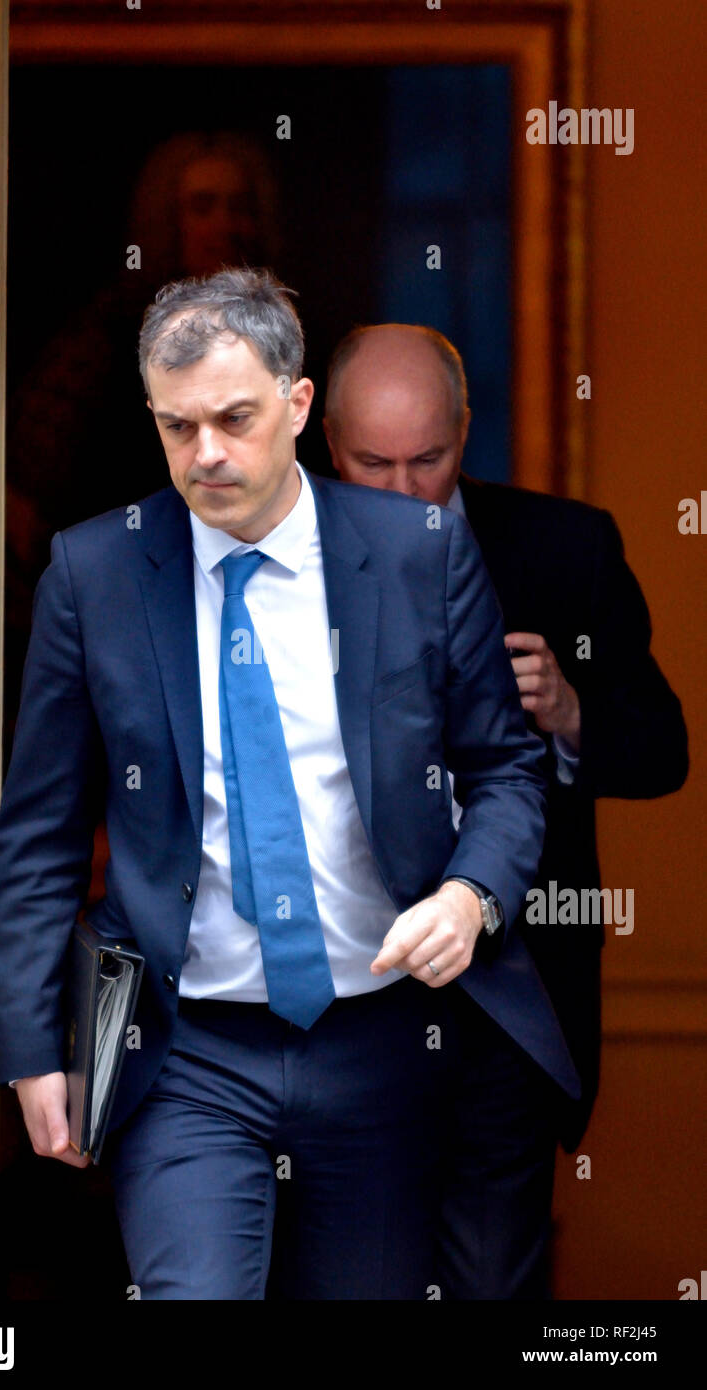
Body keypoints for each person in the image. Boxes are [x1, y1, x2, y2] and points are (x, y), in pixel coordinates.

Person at [0, 269, 567, 1300]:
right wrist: (35, 1055)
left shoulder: (416, 554)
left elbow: (507, 765)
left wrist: (469, 894)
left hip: (381, 1041)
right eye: (177, 426)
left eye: (234, 418)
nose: (204, 453)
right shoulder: (95, 574)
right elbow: (38, 834)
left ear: (299, 406)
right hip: (185, 1049)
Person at [323, 322, 689, 1298]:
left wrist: (567, 710)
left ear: (466, 432)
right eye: (373, 464)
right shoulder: (265, 562)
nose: (404, 491)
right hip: (329, 1008)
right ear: (324, 442)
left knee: (492, 1283)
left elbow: (664, 749)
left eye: (429, 460)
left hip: (511, 998)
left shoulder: (564, 547)